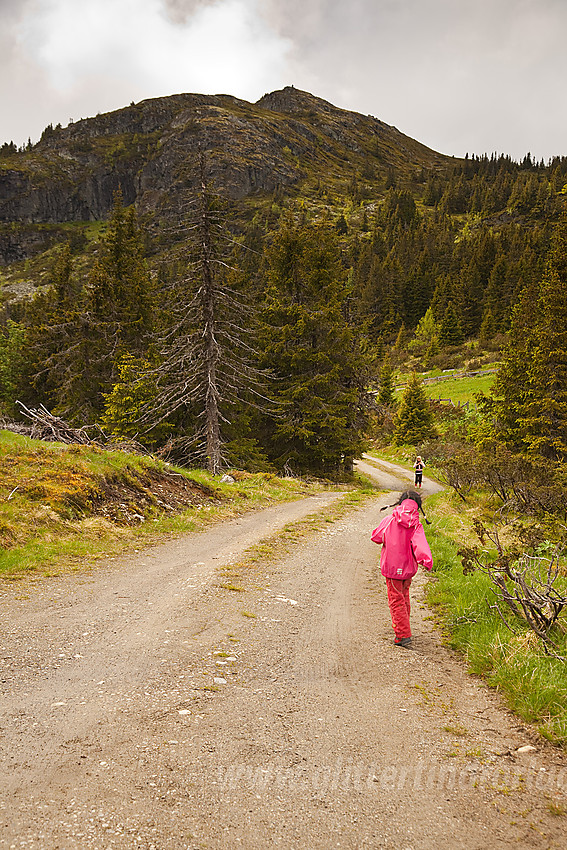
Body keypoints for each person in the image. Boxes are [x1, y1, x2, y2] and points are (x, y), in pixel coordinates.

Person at [371, 490, 433, 648]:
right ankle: (404, 627)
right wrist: (426, 561)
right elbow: (421, 545)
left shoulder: (390, 520)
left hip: (392, 568)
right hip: (408, 569)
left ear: (400, 502)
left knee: (395, 600)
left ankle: (403, 635)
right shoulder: (416, 524)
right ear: (417, 507)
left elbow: (376, 537)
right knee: (404, 596)